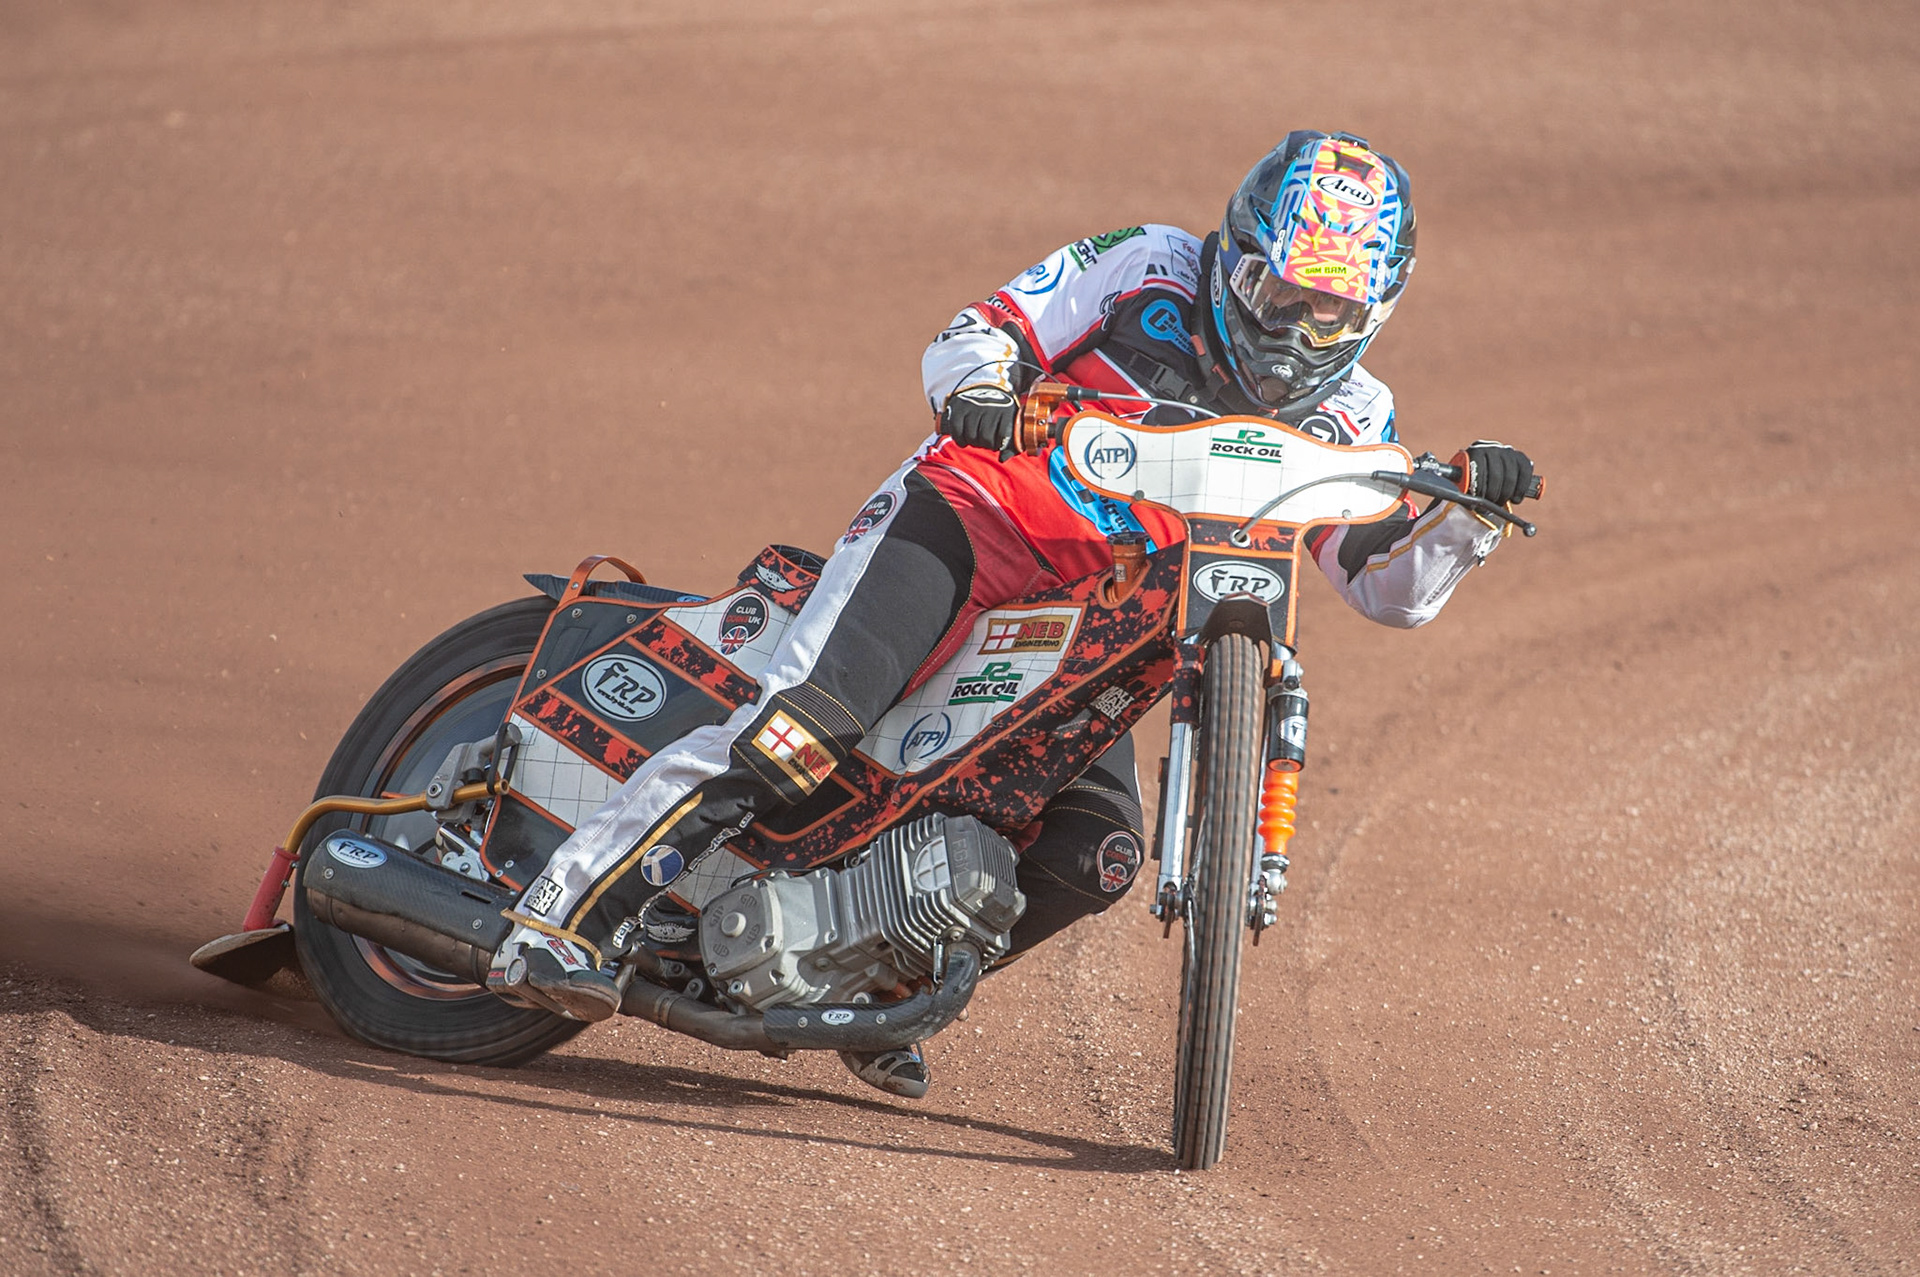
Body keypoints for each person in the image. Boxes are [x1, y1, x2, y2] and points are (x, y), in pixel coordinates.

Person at [482, 130, 1537, 1099]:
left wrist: (1469, 519)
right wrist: (981, 388)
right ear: (1234, 253)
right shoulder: (1149, 266)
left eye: (1329, 313)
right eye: (1274, 289)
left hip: (1101, 626)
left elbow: (1385, 585)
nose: (1293, 329)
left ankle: (874, 978)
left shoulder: (1356, 415)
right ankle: (558, 917)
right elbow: (979, 331)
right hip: (976, 521)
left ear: (1375, 315)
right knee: (798, 732)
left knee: (1099, 851)